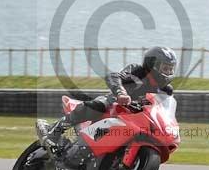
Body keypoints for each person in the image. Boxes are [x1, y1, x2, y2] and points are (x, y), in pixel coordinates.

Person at [36, 46, 177, 153]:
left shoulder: (166, 90)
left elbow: (164, 111)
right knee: (98, 105)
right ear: (152, 65)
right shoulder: (137, 71)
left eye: (171, 69)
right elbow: (114, 77)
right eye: (165, 68)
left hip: (137, 118)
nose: (168, 73)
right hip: (115, 106)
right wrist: (121, 93)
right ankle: (53, 130)